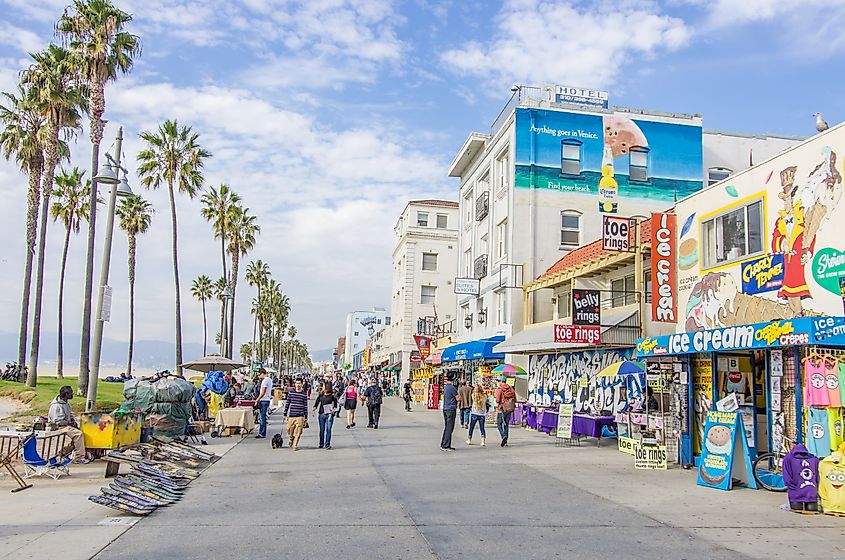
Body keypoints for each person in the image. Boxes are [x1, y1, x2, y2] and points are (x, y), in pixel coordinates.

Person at [47, 386, 89, 463]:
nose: (72, 394)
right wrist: (69, 423)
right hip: (58, 426)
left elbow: (69, 415)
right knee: (78, 434)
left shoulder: (65, 403)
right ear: (66, 394)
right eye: (71, 393)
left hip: (66, 425)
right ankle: (78, 458)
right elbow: (57, 421)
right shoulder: (57, 406)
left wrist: (73, 421)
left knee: (83, 434)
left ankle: (63, 453)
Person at [284, 377, 309, 450]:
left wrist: (306, 417)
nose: (298, 385)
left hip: (300, 416)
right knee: (289, 430)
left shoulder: (304, 394)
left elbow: (305, 406)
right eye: (297, 383)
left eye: (299, 383)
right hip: (292, 415)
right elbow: (287, 403)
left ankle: (295, 445)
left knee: (299, 431)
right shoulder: (291, 392)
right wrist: (285, 414)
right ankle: (291, 438)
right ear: (295, 384)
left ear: (302, 384)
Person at [312, 383, 339, 449]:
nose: (323, 388)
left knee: (328, 430)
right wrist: (314, 409)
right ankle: (321, 443)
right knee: (322, 430)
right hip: (321, 414)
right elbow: (317, 402)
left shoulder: (332, 396)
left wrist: (333, 410)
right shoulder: (321, 395)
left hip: (329, 414)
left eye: (324, 387)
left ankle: (327, 444)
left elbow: (336, 405)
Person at [495, 376, 516, 447]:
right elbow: (514, 399)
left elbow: (497, 400)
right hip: (509, 408)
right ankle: (506, 440)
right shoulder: (511, 389)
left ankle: (503, 436)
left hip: (501, 409)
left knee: (499, 424)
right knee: (506, 424)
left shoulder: (499, 389)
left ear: (500, 381)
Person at [440, 374, 458, 451]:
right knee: (450, 427)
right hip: (451, 409)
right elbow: (458, 398)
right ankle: (446, 445)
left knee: (447, 426)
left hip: (445, 408)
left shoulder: (446, 387)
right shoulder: (452, 388)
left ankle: (444, 443)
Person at [254, 369, 273, 439]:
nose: (259, 377)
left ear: (262, 373)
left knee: (262, 418)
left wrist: (257, 399)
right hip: (267, 399)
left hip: (264, 400)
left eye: (259, 375)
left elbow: (263, 392)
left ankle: (262, 433)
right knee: (263, 417)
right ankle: (262, 432)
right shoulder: (270, 380)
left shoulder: (265, 381)